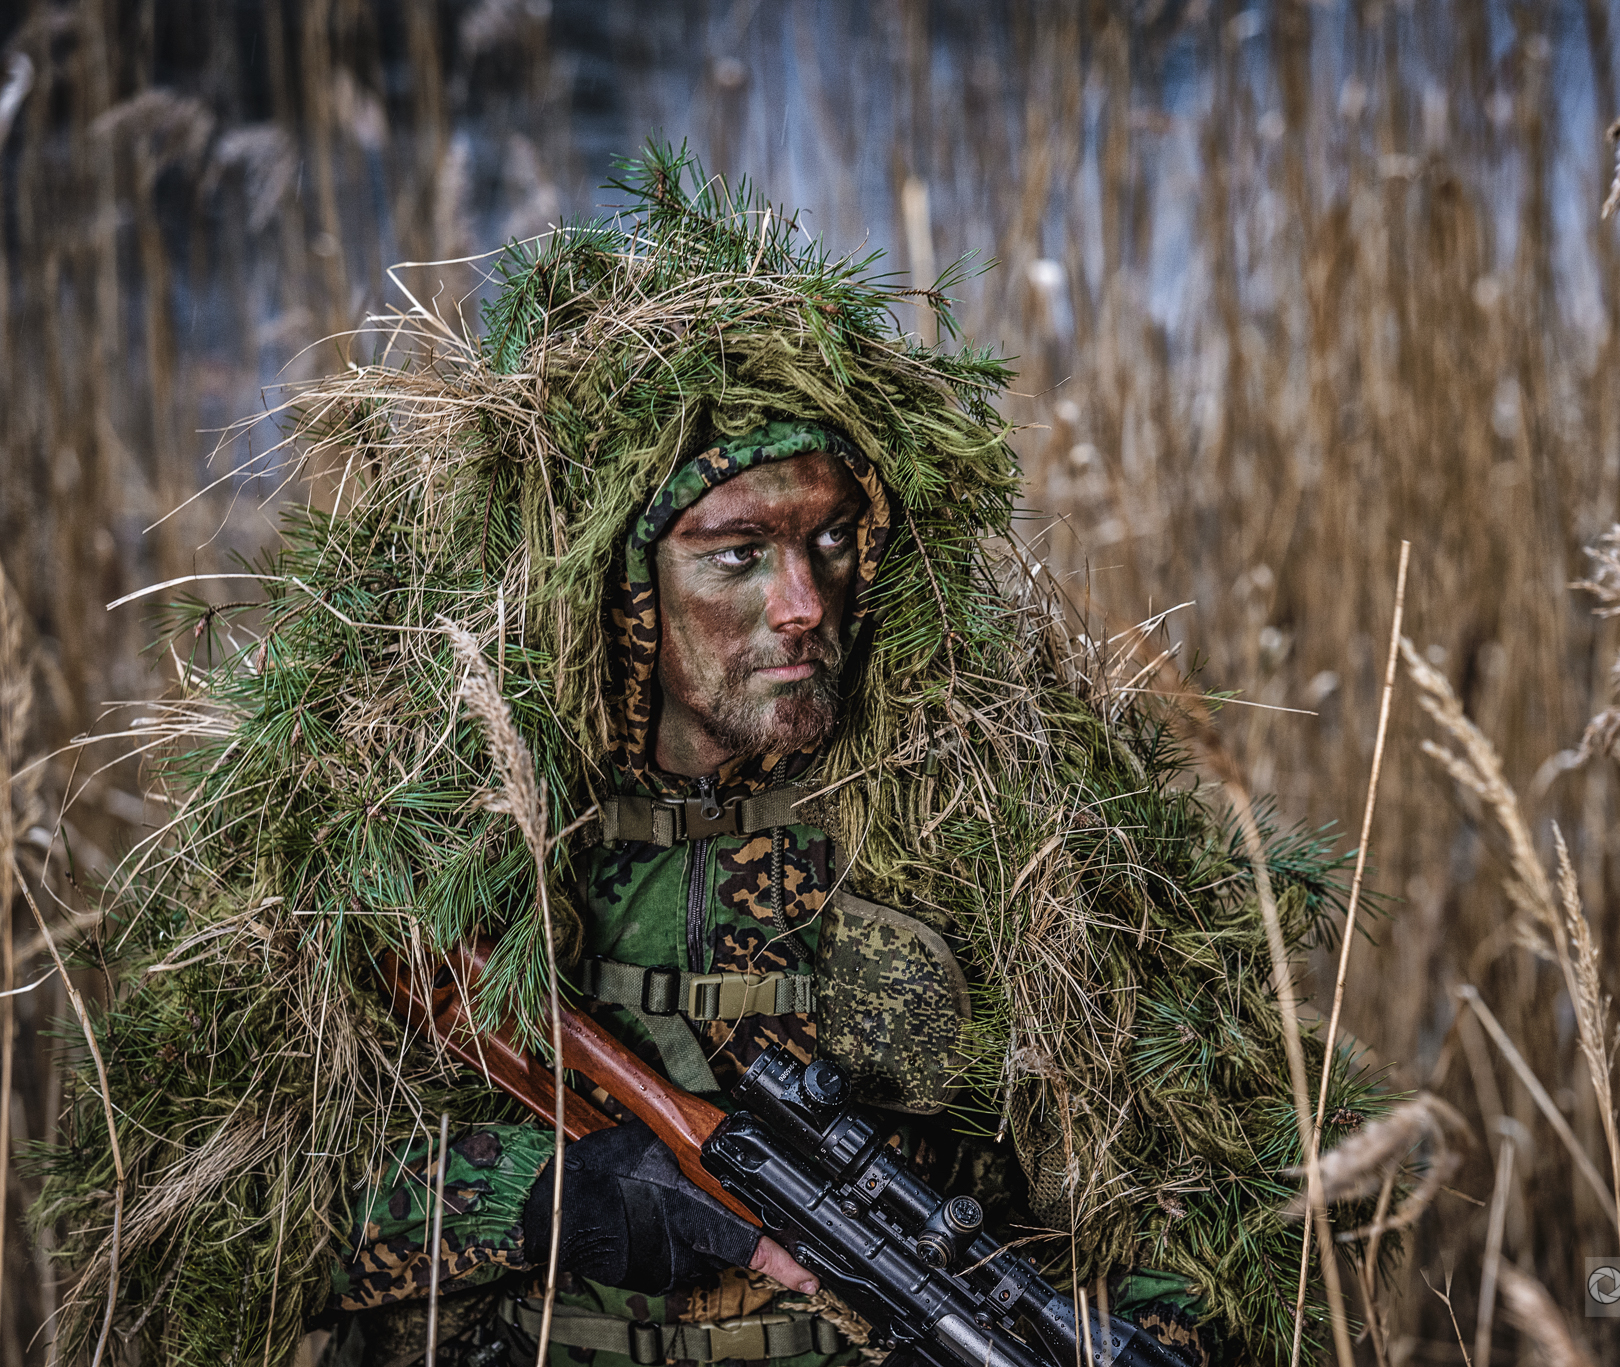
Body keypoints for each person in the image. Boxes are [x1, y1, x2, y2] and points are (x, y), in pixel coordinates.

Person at [37, 146, 1379, 1367]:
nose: (806, 603)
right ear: (624, 590)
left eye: (831, 544)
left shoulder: (999, 833)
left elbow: (1198, 1219)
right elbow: (226, 1241)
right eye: (739, 555)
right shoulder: (446, 831)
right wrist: (548, 1203)